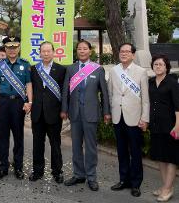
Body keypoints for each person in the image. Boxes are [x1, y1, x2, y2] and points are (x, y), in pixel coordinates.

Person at [61, 40, 110, 191]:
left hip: (91, 112)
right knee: (76, 146)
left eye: (84, 49)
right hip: (75, 112)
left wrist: (106, 112)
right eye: (79, 49)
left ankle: (91, 177)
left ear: (90, 51)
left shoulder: (97, 69)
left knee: (91, 147)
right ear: (77, 51)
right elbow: (65, 91)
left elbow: (105, 93)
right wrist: (64, 109)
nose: (82, 51)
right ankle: (78, 174)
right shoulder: (71, 68)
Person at [108, 43, 149, 198]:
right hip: (118, 117)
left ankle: (136, 183)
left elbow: (145, 98)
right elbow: (111, 93)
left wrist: (145, 118)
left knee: (135, 152)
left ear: (133, 54)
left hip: (135, 118)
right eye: (122, 51)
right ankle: (123, 179)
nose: (124, 54)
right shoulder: (113, 71)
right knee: (122, 151)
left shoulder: (141, 72)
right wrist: (111, 113)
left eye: (127, 51)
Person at [0, 36, 32, 181]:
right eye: (9, 47)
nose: (12, 50)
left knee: (18, 136)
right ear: (5, 49)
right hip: (3, 102)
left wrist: (30, 102)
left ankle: (18, 166)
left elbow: (28, 85)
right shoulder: (0, 65)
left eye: (15, 47)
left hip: (18, 103)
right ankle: (3, 166)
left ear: (18, 48)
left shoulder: (25, 65)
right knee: (2, 136)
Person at [29, 41, 66, 183]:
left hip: (54, 114)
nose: (45, 53)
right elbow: (30, 89)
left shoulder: (61, 70)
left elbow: (64, 92)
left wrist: (64, 110)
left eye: (48, 51)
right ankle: (38, 171)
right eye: (43, 51)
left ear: (53, 52)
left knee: (55, 144)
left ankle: (57, 172)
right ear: (39, 53)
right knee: (37, 144)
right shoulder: (33, 69)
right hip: (37, 113)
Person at [149, 54, 179, 202]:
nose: (158, 66)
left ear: (166, 66)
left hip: (170, 126)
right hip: (155, 125)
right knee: (160, 157)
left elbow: (178, 107)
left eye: (161, 64)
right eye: (155, 64)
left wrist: (177, 126)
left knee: (171, 157)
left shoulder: (172, 82)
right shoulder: (151, 82)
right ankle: (166, 186)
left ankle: (167, 189)